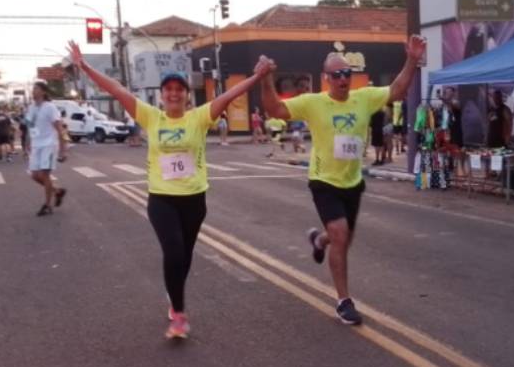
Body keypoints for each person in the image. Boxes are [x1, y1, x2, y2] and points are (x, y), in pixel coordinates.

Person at [68, 40, 273, 340]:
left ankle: (173, 293)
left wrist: (257, 77)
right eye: (169, 90)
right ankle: (178, 313)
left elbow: (230, 94)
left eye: (179, 89)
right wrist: (84, 67)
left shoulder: (199, 117)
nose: (174, 93)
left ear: (187, 96)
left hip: (194, 199)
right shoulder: (152, 117)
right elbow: (117, 90)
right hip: (162, 199)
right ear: (162, 95)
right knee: (174, 252)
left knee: (185, 257)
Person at [259, 35, 427, 325]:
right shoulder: (313, 103)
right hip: (324, 181)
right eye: (337, 75)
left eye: (347, 73)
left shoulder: (364, 97)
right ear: (326, 79)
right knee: (340, 233)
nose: (343, 79)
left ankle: (318, 240)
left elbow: (398, 90)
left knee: (342, 238)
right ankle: (343, 301)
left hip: (352, 181)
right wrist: (265, 79)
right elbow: (275, 110)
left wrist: (411, 59)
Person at [25, 81, 68, 216]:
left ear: (43, 92)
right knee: (34, 175)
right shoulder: (31, 108)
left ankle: (47, 205)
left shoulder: (50, 107)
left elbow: (59, 128)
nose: (33, 91)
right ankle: (57, 191)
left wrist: (63, 149)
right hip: (36, 145)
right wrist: (28, 142)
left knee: (45, 174)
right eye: (33, 89)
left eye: (36, 89)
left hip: (49, 145)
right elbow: (30, 127)